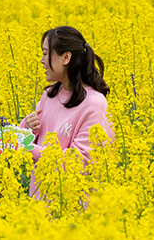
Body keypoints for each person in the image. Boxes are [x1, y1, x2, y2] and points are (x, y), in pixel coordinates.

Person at [21, 26, 114, 198]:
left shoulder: (94, 104)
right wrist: (26, 127)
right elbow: (30, 140)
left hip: (74, 210)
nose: (41, 60)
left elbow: (79, 163)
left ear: (66, 57)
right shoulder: (49, 94)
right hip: (40, 205)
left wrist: (25, 147)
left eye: (45, 53)